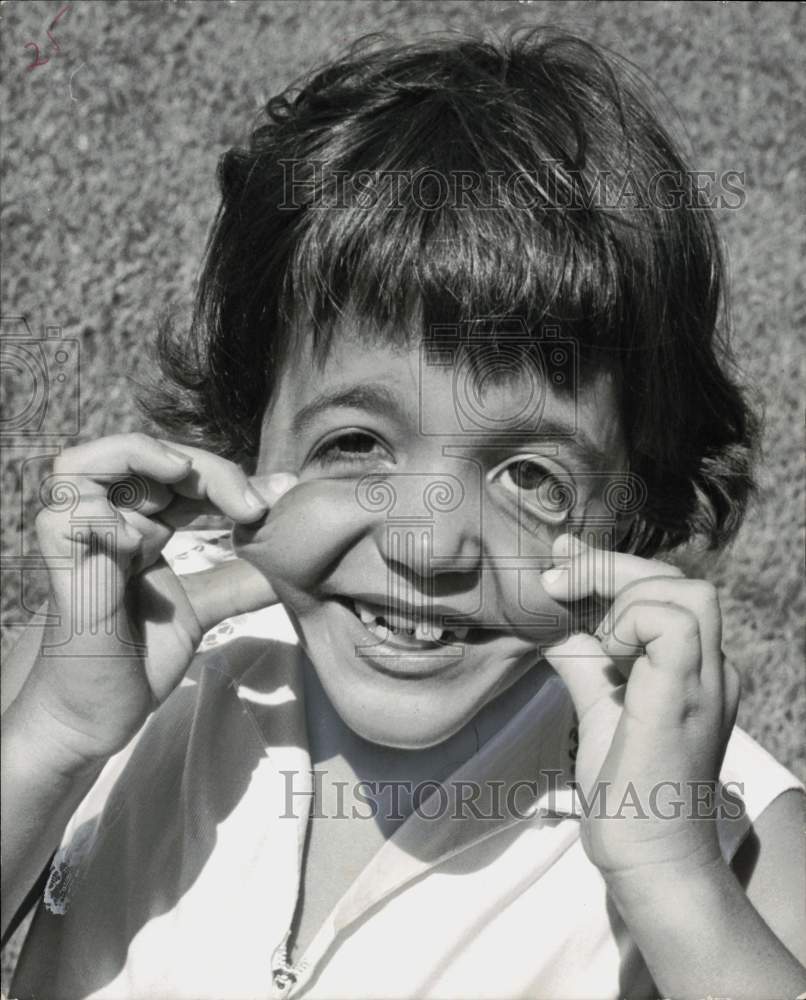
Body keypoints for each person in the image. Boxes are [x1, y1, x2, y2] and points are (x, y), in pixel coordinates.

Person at [2, 28, 804, 1000]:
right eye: (356, 444)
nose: (427, 544)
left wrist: (671, 882)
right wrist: (55, 740)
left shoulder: (727, 838)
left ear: (637, 500)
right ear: (251, 434)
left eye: (527, 476)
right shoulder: (106, 665)